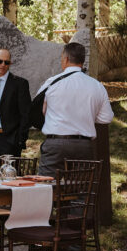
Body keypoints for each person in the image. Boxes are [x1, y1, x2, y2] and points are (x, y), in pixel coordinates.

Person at [37, 42, 114, 177]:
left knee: (48, 189)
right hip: (83, 146)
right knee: (81, 190)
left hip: (55, 145)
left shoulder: (51, 83)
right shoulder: (97, 86)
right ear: (82, 61)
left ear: (66, 59)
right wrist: (87, 115)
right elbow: (106, 118)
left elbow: (40, 110)